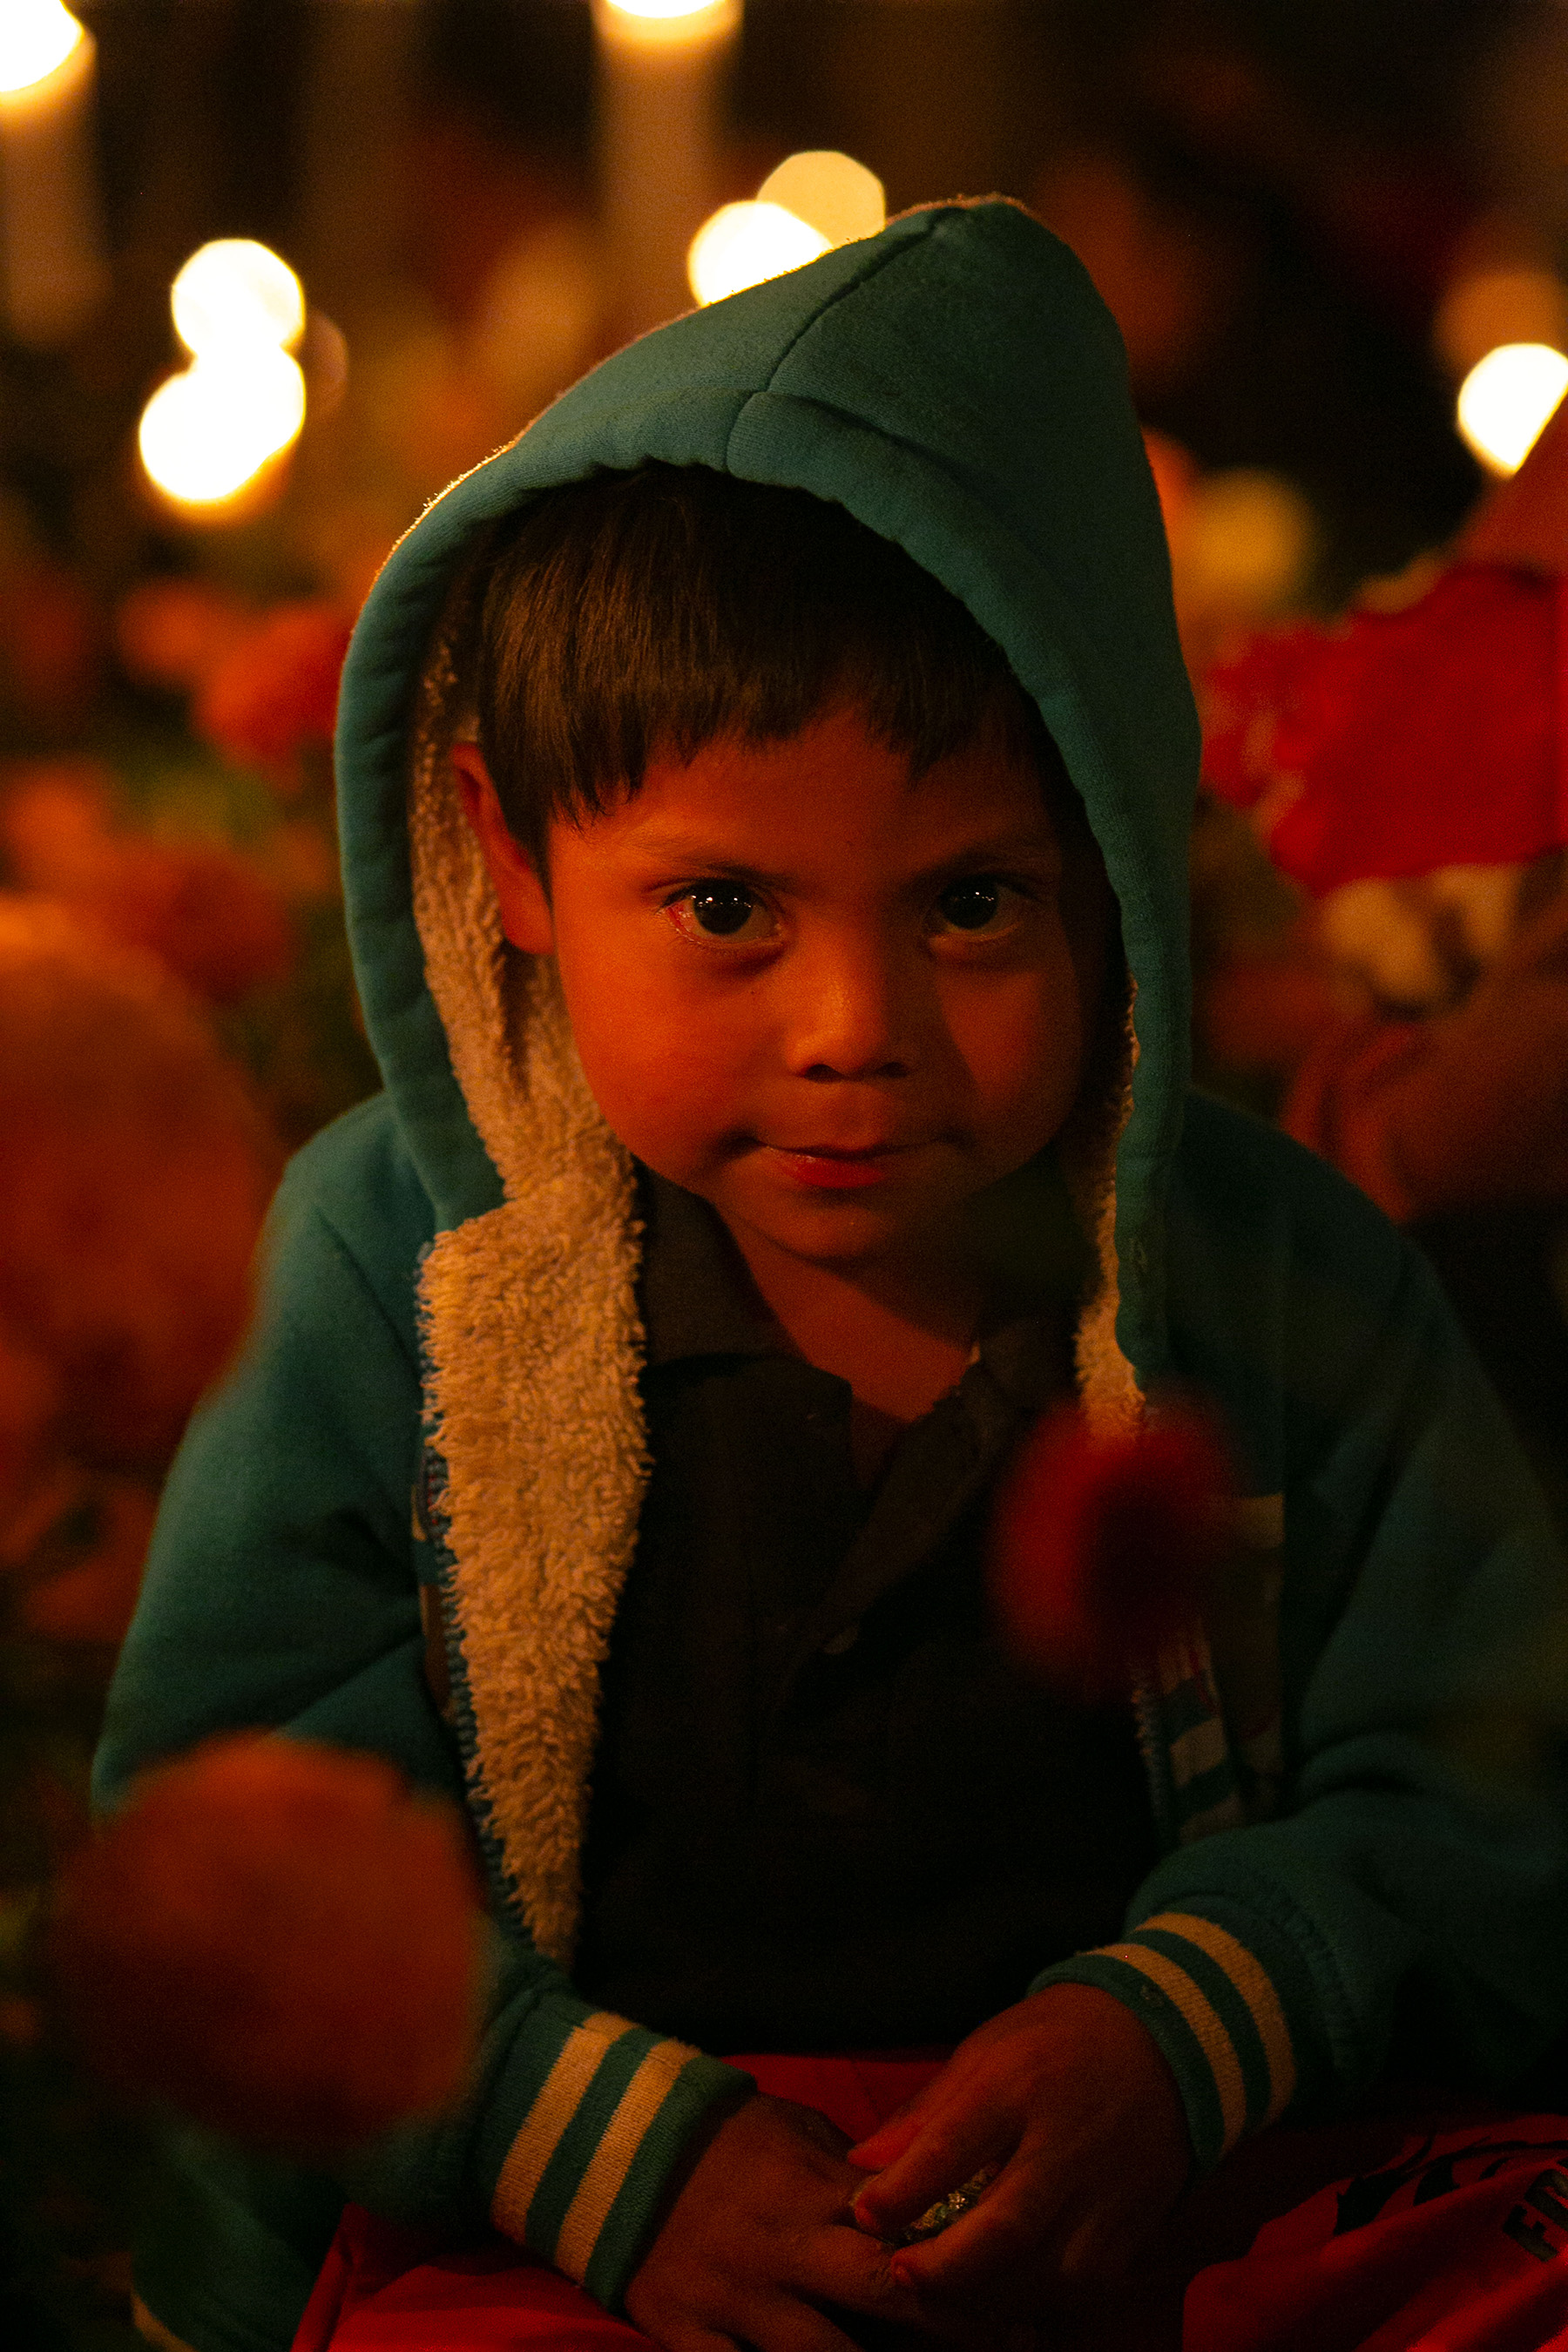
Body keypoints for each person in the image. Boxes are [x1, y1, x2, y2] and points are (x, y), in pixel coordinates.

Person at [95, 202, 1568, 2352]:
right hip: (580, 2218)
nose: (854, 1027)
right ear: (509, 860)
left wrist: (1194, 2028)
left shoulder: (1272, 1283)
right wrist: (580, 2145)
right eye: (722, 909)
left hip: (1180, 2172)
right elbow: (238, 1836)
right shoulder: (395, 1272)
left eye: (973, 901)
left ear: (1116, 867)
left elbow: (1492, 1779)